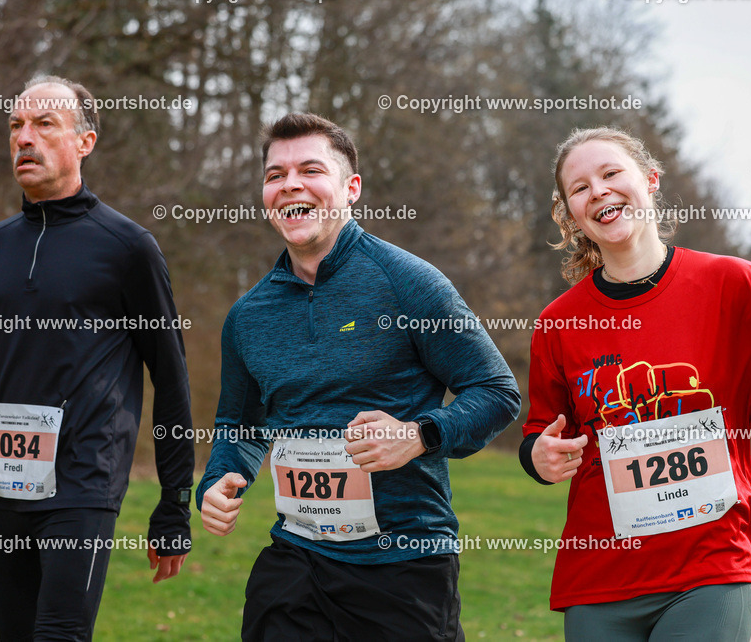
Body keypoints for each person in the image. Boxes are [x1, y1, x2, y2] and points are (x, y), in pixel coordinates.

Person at [519, 127, 751, 641]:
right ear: (571, 214)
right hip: (599, 580)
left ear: (651, 180)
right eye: (580, 187)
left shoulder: (733, 285)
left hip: (709, 568)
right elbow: (540, 432)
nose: (599, 191)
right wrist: (537, 458)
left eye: (611, 173)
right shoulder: (559, 322)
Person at [198, 112, 520, 640]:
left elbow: (496, 392)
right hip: (295, 561)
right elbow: (240, 422)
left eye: (310, 170)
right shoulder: (248, 315)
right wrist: (217, 480)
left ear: (351, 189)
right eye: (275, 175)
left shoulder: (408, 283)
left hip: (402, 566)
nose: (290, 184)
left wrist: (419, 435)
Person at [0, 75, 195, 640]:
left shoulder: (129, 248)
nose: (23, 138)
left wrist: (174, 503)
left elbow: (172, 379)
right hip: (5, 480)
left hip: (84, 482)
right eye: (15, 126)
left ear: (85, 142)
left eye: (43, 125)